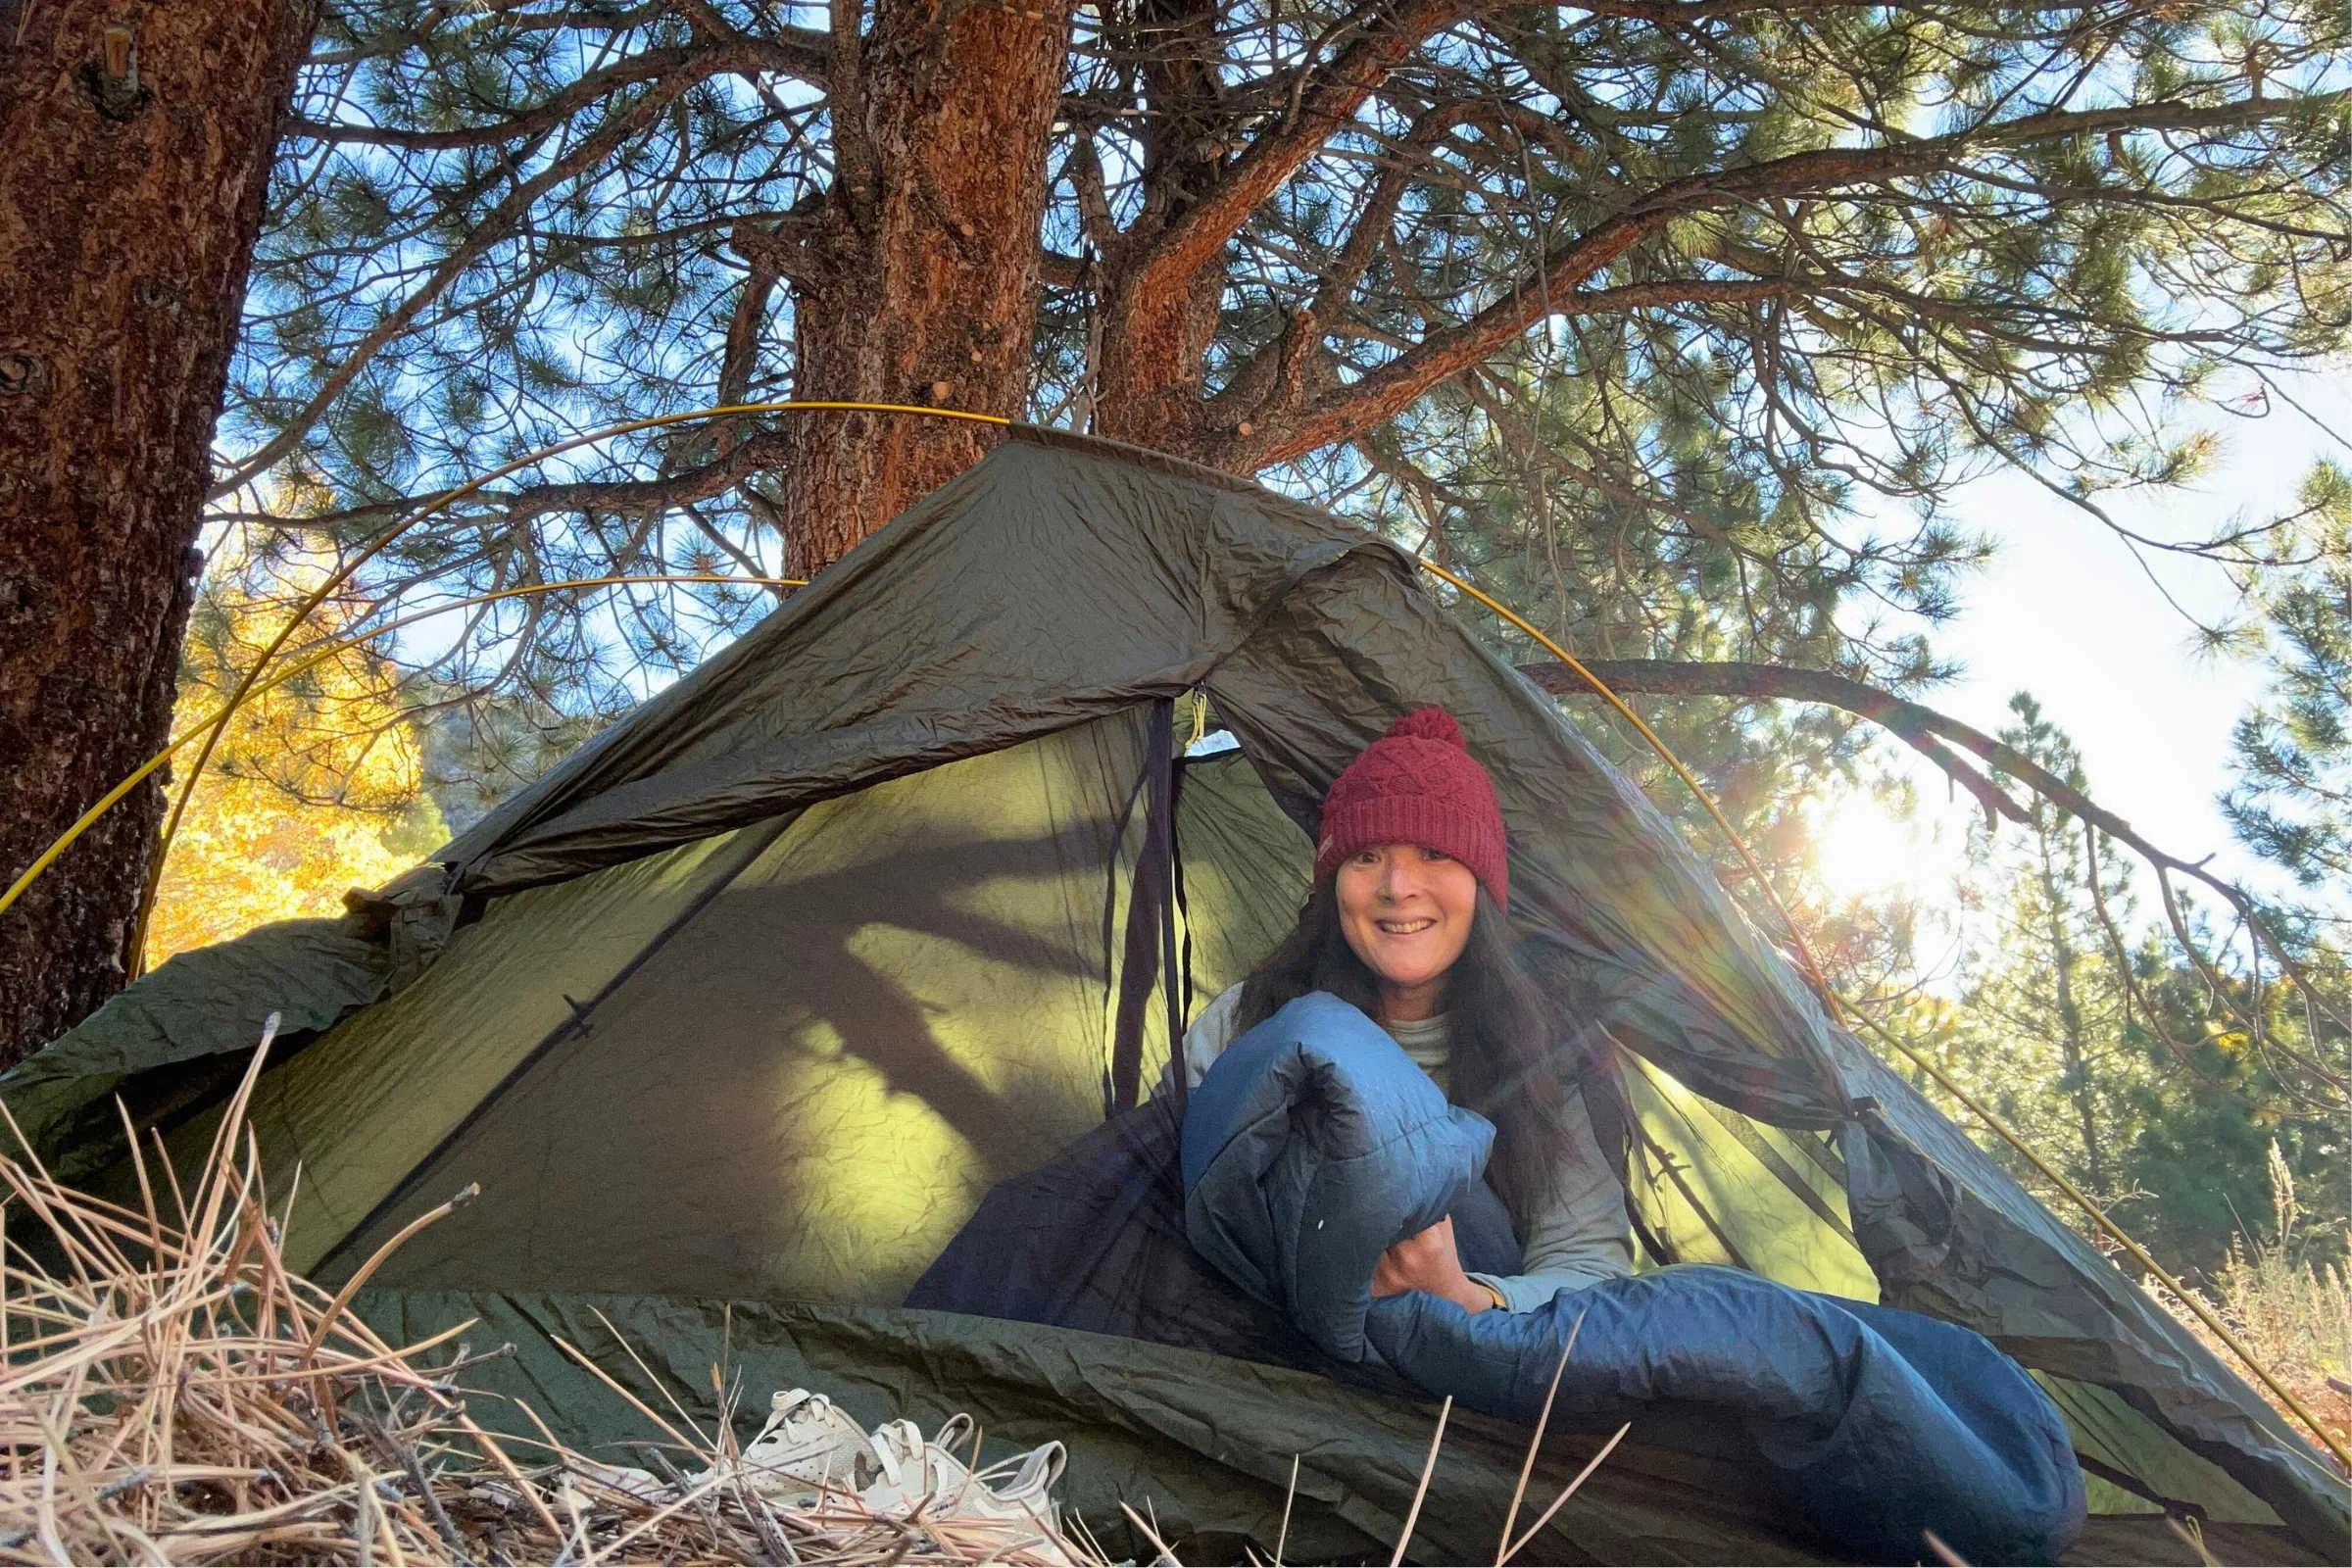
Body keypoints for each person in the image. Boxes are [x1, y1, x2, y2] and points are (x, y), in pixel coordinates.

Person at [1181, 706, 1632, 1314]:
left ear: (1480, 884)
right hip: (1256, 1333)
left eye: (1432, 853)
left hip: (1458, 1367)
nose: (1397, 886)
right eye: (1366, 857)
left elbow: (1589, 1269)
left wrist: (1463, 1297)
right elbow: (1167, 1194)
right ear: (1333, 884)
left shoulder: (1546, 1047)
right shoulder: (1253, 1019)